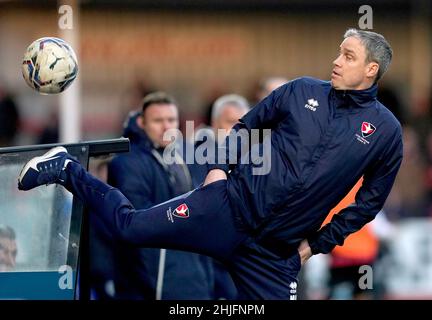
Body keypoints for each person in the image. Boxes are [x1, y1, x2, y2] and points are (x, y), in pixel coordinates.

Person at [17, 28, 403, 299]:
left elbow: (368, 203)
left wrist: (314, 245)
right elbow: (247, 125)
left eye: (348, 56)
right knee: (129, 228)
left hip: (273, 254)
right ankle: (67, 168)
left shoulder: (386, 132)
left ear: (371, 70)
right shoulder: (302, 90)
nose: (336, 61)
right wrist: (218, 167)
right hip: (225, 207)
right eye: (339, 51)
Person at [106, 92, 214, 300]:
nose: (166, 127)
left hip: (195, 277)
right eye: (158, 120)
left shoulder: (188, 158)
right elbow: (138, 221)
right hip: (150, 284)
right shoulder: (126, 162)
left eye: (171, 120)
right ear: (142, 122)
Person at [192, 94, 250, 299]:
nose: (237, 131)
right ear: (214, 123)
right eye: (230, 123)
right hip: (210, 259)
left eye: (241, 124)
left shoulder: (253, 158)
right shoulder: (198, 156)